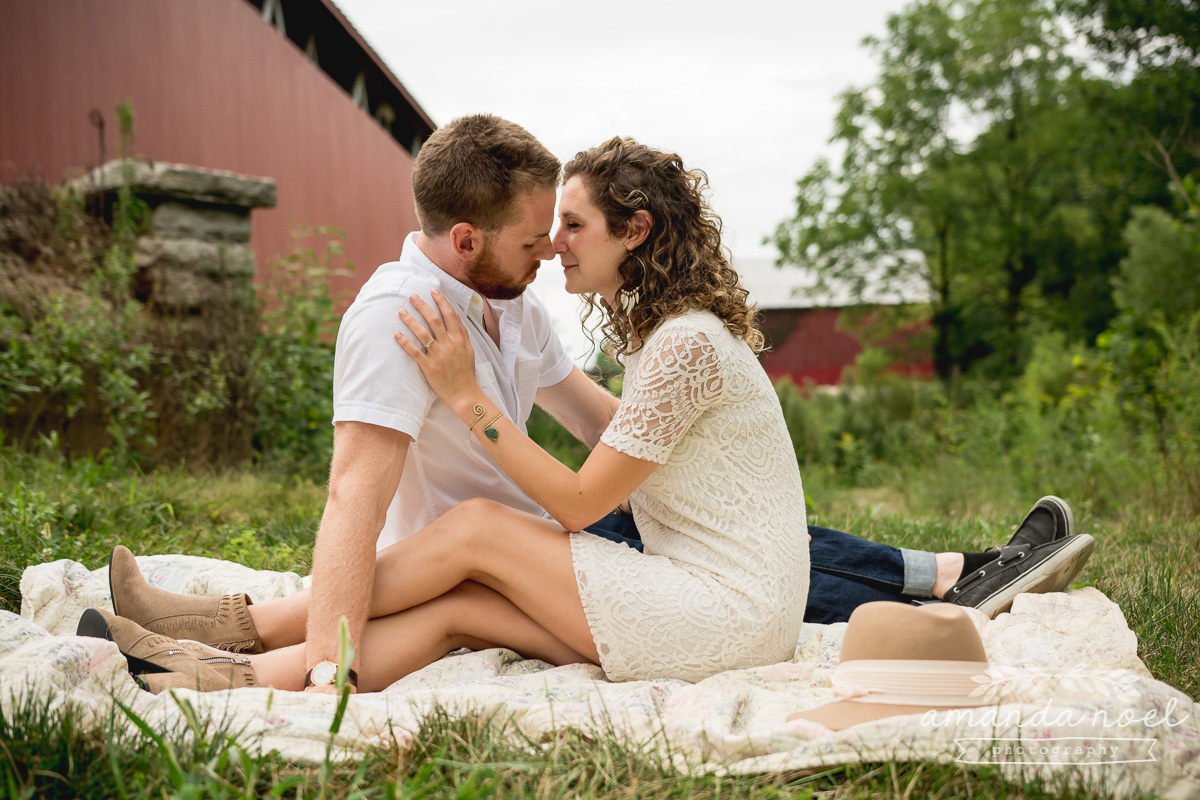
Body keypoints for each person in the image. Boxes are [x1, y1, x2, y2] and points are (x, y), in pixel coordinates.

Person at [85, 119, 1094, 692]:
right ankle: (217, 668)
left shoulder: (682, 342)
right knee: (469, 603)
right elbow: (601, 442)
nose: (557, 243)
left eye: (571, 225)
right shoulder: (664, 336)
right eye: (546, 228)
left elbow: (576, 502)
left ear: (634, 231)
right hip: (716, 595)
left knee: (484, 532)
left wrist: (469, 402)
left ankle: (250, 640)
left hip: (723, 611)